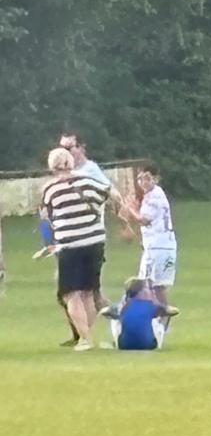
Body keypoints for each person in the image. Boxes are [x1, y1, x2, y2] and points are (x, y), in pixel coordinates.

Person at [41, 146, 110, 351]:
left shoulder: (50, 189)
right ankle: (87, 336)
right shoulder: (88, 182)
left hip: (70, 245)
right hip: (95, 242)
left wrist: (49, 242)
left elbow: (47, 218)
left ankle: (85, 339)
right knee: (88, 292)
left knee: (71, 294)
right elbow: (106, 196)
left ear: (52, 166)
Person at [121, 165, 177, 307]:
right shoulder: (157, 193)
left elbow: (144, 220)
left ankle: (132, 311)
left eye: (147, 178)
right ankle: (162, 316)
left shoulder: (153, 197)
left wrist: (131, 208)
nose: (143, 182)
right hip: (166, 246)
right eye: (140, 179)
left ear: (156, 179)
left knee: (143, 284)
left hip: (157, 248)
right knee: (158, 287)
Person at [100, 276, 178, 350]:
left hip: (124, 345)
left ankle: (117, 342)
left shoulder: (123, 306)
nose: (151, 291)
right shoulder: (150, 305)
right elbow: (174, 311)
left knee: (115, 320)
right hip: (149, 345)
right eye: (148, 289)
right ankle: (158, 340)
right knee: (160, 318)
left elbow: (104, 311)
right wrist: (159, 307)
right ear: (141, 292)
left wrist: (119, 316)